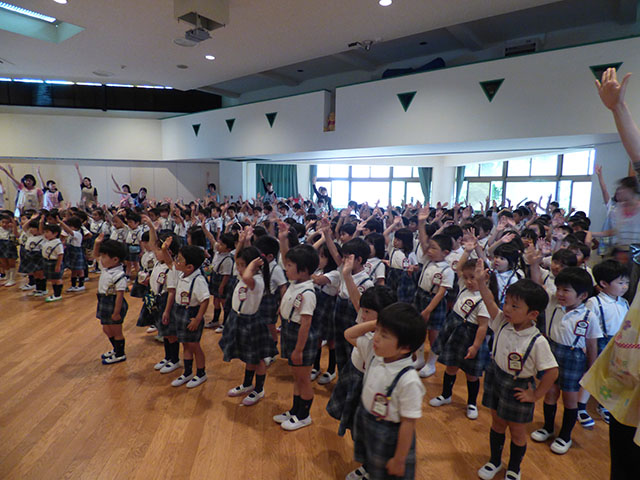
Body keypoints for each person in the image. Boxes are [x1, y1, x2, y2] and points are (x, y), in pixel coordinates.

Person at [474, 260, 559, 480]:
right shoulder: (502, 322)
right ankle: (495, 461)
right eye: (507, 303)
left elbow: (552, 371)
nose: (506, 309)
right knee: (497, 423)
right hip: (496, 376)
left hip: (518, 386)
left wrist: (536, 395)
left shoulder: (538, 341)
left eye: (515, 306)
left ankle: (514, 467)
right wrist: (482, 283)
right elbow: (489, 300)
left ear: (533, 314)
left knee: (517, 431)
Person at [345, 303, 427, 480]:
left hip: (389, 434)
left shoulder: (409, 380)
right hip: (368, 421)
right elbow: (349, 334)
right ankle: (369, 471)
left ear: (405, 347)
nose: (375, 338)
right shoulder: (375, 352)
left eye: (384, 335)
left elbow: (408, 423)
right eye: (376, 331)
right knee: (373, 466)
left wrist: (399, 459)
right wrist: (380, 323)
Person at [530, 267, 601, 455]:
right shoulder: (553, 305)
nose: (560, 293)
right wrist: (534, 264)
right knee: (550, 393)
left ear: (583, 295)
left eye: (566, 290)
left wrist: (591, 369)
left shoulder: (589, 316)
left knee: (570, 399)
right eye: (558, 288)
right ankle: (548, 427)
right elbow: (538, 285)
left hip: (573, 358)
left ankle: (565, 436)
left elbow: (592, 345)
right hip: (551, 353)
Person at [429, 257, 491, 421]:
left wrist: (475, 346)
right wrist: (468, 251)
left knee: (471, 374)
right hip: (455, 332)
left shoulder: (484, 299)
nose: (469, 281)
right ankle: (446, 395)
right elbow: (459, 268)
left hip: (470, 336)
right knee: (451, 367)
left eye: (473, 277)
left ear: (485, 277)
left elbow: (483, 326)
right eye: (467, 277)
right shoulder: (464, 287)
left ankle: (472, 403)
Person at [220, 245, 277, 404]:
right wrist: (242, 241)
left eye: (243, 265)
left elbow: (246, 277)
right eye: (238, 265)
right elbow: (238, 260)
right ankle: (247, 384)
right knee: (248, 357)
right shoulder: (244, 276)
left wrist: (252, 265)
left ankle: (259, 389)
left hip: (250, 322)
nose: (239, 269)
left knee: (258, 359)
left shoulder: (256, 280)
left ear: (254, 266)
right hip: (239, 319)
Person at [577, 260, 630, 428]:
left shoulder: (624, 302)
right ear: (603, 283)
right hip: (599, 342)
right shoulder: (595, 302)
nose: (625, 286)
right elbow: (586, 325)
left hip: (618, 343)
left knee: (612, 375)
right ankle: (581, 407)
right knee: (591, 373)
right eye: (620, 283)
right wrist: (584, 345)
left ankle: (604, 405)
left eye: (626, 282)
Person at [274, 244, 320, 431]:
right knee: (296, 376)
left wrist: (299, 350)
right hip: (289, 330)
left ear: (304, 270)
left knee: (303, 378)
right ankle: (295, 410)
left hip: (301, 336)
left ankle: (304, 415)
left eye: (290, 265)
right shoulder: (295, 283)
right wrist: (283, 239)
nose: (286, 268)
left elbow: (306, 324)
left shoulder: (307, 293)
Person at [167, 245, 210, 388]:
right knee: (185, 343)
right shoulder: (182, 274)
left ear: (190, 267)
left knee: (194, 345)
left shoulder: (198, 280)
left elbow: (205, 300)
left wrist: (197, 319)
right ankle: (187, 372)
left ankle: (201, 373)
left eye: (179, 260)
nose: (176, 262)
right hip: (180, 311)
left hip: (191, 314)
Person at [92, 235, 129, 364]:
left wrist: (116, 312)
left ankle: (120, 354)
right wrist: (97, 243)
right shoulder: (106, 267)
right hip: (103, 300)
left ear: (115, 259)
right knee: (106, 328)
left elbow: (120, 295)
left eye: (104, 257)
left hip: (113, 303)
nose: (101, 259)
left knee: (116, 330)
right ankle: (115, 348)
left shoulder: (119, 275)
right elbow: (95, 255)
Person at [41, 222, 64, 302]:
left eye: (47, 232)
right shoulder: (48, 241)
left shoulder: (58, 243)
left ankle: (58, 294)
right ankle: (55, 293)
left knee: (57, 279)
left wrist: (58, 265)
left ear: (55, 233)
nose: (45, 234)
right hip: (47, 261)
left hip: (54, 262)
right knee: (53, 279)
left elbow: (60, 255)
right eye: (45, 232)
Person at [0, 213, 18, 287]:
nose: (4, 224)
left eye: (7, 223)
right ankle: (7, 278)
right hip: (1, 245)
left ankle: (12, 279)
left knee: (11, 263)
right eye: (3, 222)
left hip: (10, 246)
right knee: (4, 263)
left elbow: (16, 235)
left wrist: (14, 225)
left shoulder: (11, 229)